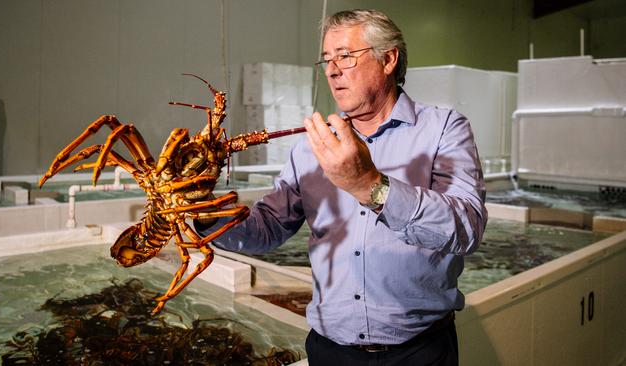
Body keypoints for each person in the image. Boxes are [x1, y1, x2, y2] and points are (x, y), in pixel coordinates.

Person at [205, 8, 487, 365]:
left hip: (419, 351)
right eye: (326, 59)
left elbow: (466, 228)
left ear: (388, 59)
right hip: (329, 351)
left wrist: (370, 186)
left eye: (345, 56)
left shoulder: (445, 128)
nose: (332, 70)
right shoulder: (311, 145)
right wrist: (202, 212)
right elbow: (266, 229)